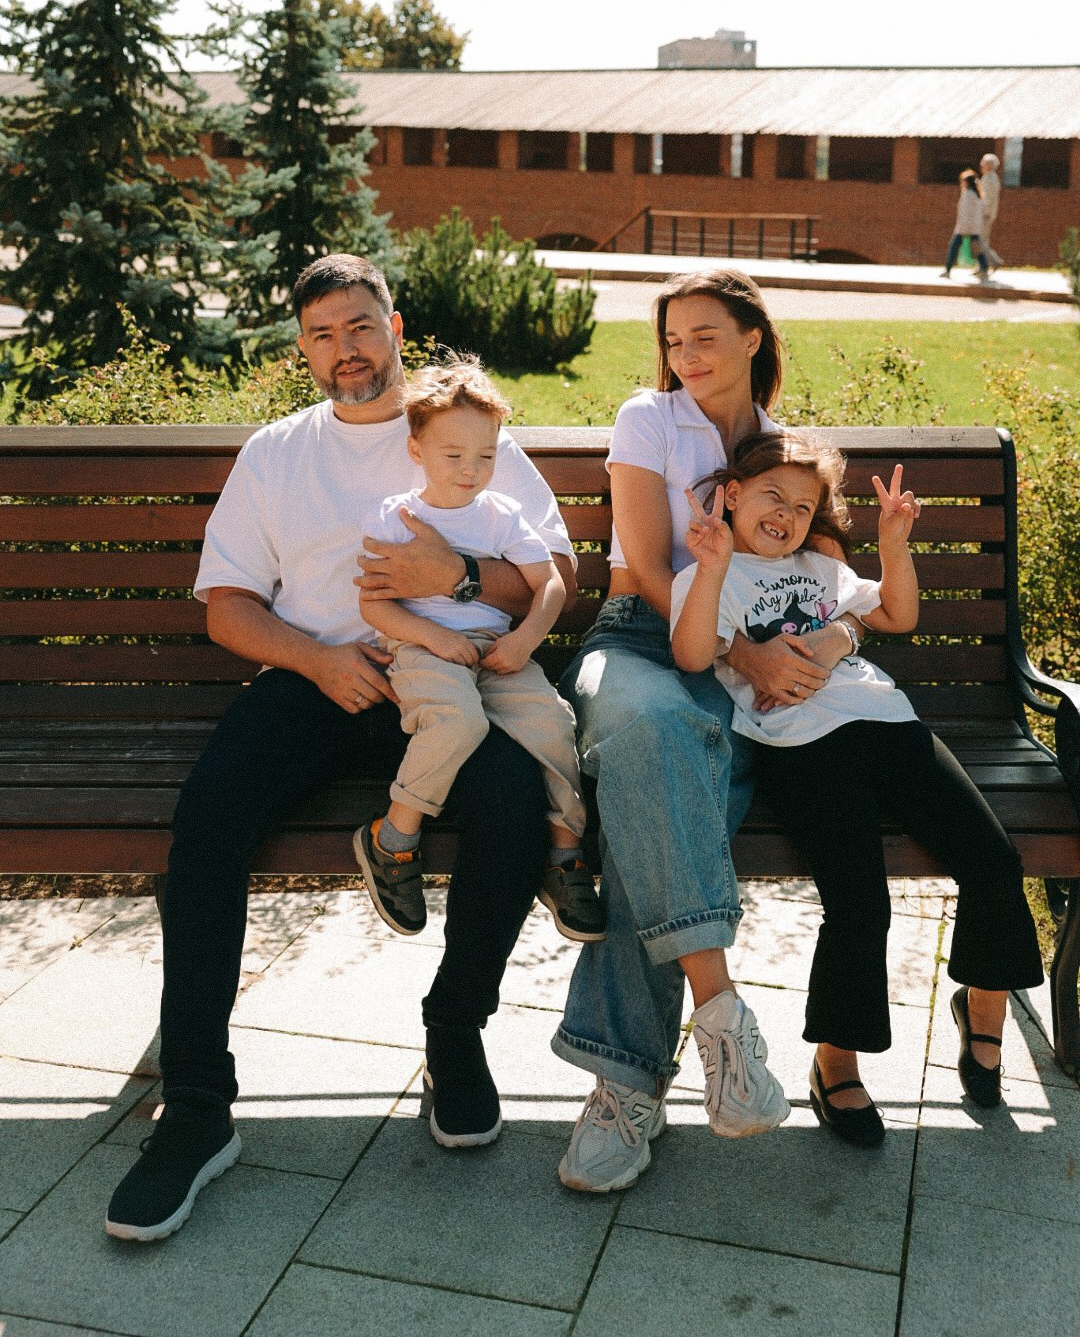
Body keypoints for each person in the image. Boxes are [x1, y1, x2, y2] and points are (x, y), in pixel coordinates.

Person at [106, 254, 577, 1242]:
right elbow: (228, 606)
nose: (343, 350)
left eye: (359, 326)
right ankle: (195, 1106)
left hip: (447, 672)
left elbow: (560, 571)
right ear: (303, 348)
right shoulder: (278, 452)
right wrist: (317, 662)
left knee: (508, 802)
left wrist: (455, 572)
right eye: (321, 334)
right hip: (319, 678)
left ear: (395, 325)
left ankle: (455, 1030)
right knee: (211, 815)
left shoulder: (457, 430)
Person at [552, 270, 857, 1195]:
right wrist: (744, 653)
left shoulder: (782, 448)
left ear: (754, 337)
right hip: (644, 638)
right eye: (674, 340)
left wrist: (809, 644)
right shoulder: (649, 418)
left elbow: (835, 571)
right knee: (652, 733)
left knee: (664, 798)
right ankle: (721, 1018)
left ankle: (624, 1084)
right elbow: (645, 566)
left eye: (706, 336)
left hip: (741, 658)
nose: (686, 356)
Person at [670, 430, 1044, 1147]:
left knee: (993, 861)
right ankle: (836, 1062)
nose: (786, 514)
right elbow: (691, 655)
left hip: (886, 721)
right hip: (802, 749)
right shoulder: (710, 573)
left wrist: (894, 545)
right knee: (859, 901)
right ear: (735, 494)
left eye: (804, 507)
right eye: (772, 496)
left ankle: (985, 1003)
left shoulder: (821, 567)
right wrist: (713, 565)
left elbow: (896, 616)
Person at [354, 355, 604, 944]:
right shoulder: (396, 517)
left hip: (497, 649)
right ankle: (393, 838)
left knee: (553, 723)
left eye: (486, 456)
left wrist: (523, 641)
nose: (471, 471)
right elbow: (374, 607)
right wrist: (434, 636)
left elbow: (551, 584)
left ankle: (564, 857)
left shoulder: (502, 515)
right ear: (417, 450)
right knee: (456, 721)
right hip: (422, 645)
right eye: (453, 456)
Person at [941, 169, 990, 280]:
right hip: (975, 226)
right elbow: (982, 209)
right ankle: (984, 268)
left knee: (954, 246)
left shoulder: (967, 194)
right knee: (977, 248)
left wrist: (962, 227)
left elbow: (964, 212)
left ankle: (948, 269)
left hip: (964, 226)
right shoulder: (978, 195)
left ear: (967, 182)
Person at [980, 152, 1003, 270]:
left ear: (989, 165)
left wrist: (982, 213)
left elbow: (987, 199)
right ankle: (982, 266)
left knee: (979, 241)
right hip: (987, 214)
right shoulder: (990, 178)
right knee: (983, 241)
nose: (981, 166)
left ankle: (994, 261)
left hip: (985, 215)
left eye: (983, 163)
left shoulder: (989, 179)